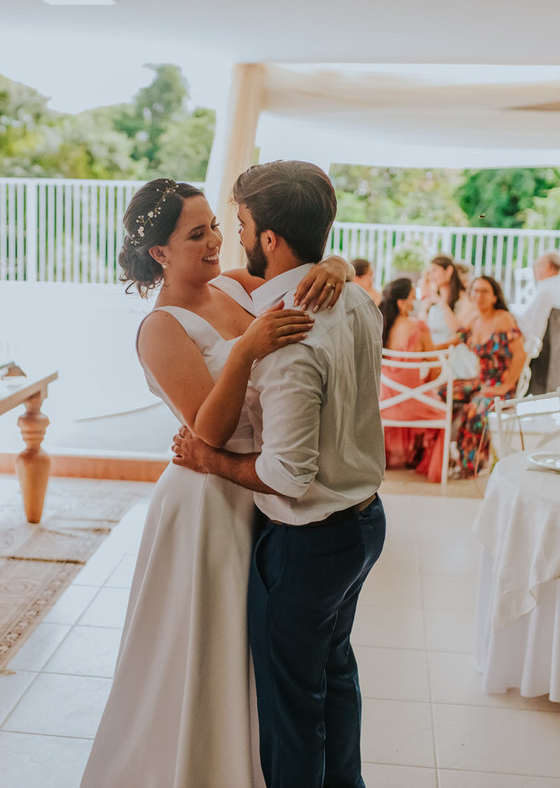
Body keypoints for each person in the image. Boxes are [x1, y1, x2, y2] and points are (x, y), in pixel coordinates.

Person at [81, 178, 352, 788]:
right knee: (207, 643)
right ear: (160, 254)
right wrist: (245, 351)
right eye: (196, 234)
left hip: (262, 484)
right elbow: (207, 428)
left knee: (257, 648)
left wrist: (333, 264)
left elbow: (294, 277)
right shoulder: (160, 328)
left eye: (216, 228)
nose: (214, 243)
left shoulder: (233, 285)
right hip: (207, 496)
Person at [173, 160, 386, 788]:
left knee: (292, 713)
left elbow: (288, 475)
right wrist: (338, 263)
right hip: (363, 524)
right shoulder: (354, 297)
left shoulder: (287, 335)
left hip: (309, 542)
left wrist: (208, 458)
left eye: (239, 224)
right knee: (334, 677)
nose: (232, 237)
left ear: (269, 238)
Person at [447, 276, 527, 476]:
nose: (478, 295)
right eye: (475, 290)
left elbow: (521, 354)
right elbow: (456, 338)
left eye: (484, 291)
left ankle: (472, 465)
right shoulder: (474, 319)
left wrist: (506, 385)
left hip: (501, 384)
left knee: (476, 407)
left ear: (494, 296)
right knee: (442, 393)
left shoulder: (503, 318)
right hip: (480, 381)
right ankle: (441, 456)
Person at [378, 277, 447, 479]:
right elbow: (435, 372)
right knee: (443, 414)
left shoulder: (379, 328)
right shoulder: (419, 327)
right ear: (401, 303)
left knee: (426, 398)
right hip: (414, 403)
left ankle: (404, 456)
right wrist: (421, 387)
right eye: (412, 297)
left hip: (385, 403)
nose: (415, 301)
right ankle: (426, 463)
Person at [420, 254, 477, 344]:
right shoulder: (430, 300)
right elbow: (423, 328)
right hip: (431, 351)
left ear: (449, 270)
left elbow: (460, 332)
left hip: (451, 352)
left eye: (434, 270)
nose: (431, 276)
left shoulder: (464, 299)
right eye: (429, 272)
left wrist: (442, 304)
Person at [517, 251, 560, 346]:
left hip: (540, 349)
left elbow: (534, 327)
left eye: (538, 264)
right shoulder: (559, 287)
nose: (535, 269)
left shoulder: (545, 291)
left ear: (548, 266)